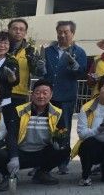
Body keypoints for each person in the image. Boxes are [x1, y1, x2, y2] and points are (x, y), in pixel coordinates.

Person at [0, 79, 69, 187]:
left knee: (65, 150)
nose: (41, 96)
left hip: (42, 151)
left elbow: (62, 133)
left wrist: (59, 143)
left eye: (45, 93)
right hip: (21, 151)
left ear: (51, 95)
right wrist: (14, 157)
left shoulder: (57, 112)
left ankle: (42, 172)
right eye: (37, 93)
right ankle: (9, 176)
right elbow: (11, 135)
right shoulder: (19, 110)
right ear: (32, 94)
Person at [43, 20, 87, 174]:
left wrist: (75, 66)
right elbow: (40, 71)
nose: (62, 35)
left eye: (65, 32)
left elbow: (81, 73)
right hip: (46, 97)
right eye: (59, 32)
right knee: (45, 129)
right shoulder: (48, 51)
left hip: (66, 96)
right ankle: (41, 163)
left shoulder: (79, 52)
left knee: (64, 130)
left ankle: (63, 162)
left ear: (72, 33)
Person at [7, 19, 44, 107]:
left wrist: (38, 66)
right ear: (9, 30)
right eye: (15, 29)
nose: (18, 32)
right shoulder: (2, 47)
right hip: (0, 92)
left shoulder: (31, 50)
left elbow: (37, 73)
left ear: (25, 32)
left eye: (21, 29)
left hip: (20, 94)